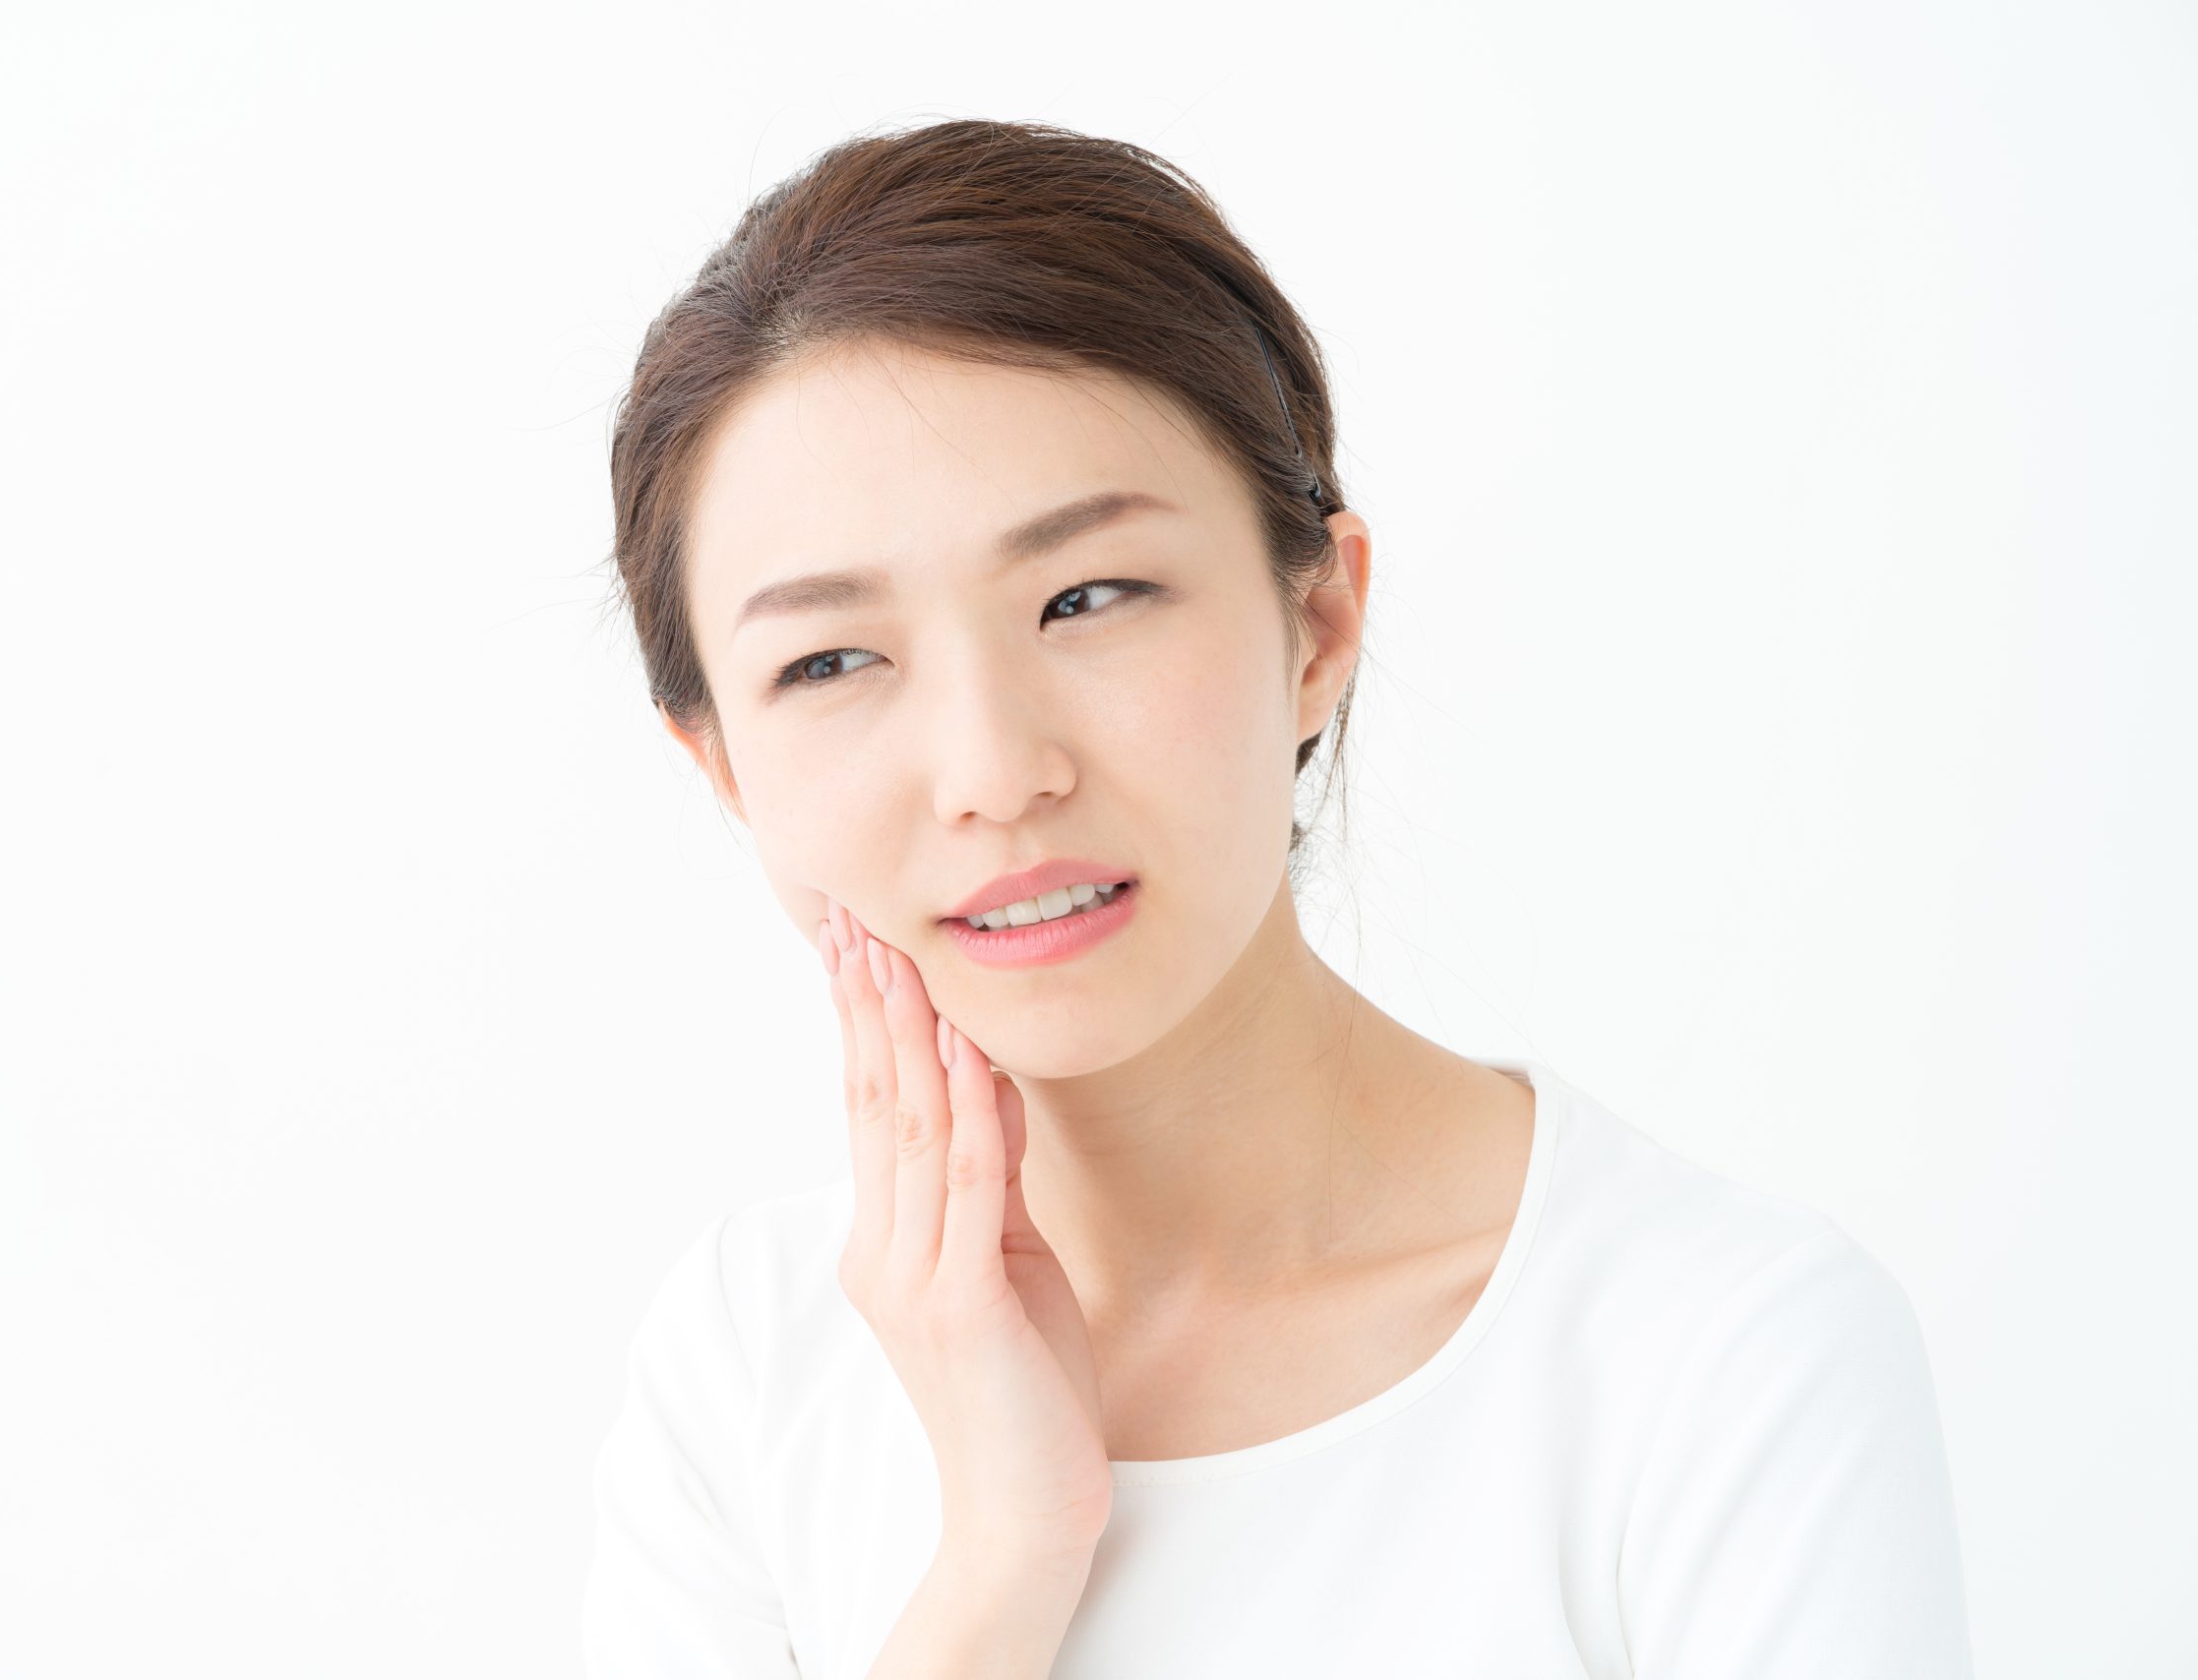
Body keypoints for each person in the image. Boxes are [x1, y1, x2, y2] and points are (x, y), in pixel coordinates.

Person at [581, 117, 1974, 1677]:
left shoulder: (1718, 1358)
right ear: (721, 766)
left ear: (1316, 622)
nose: (992, 772)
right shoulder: (745, 1370)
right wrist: (1003, 1558)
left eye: (1087, 596)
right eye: (831, 660)